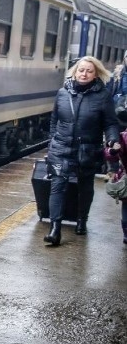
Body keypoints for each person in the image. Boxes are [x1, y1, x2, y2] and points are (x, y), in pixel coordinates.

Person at [44, 56, 120, 246]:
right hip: (61, 148)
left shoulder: (103, 96)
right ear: (75, 71)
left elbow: (110, 123)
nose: (84, 74)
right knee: (57, 186)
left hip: (88, 149)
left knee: (85, 186)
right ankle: (55, 228)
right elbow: (54, 120)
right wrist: (53, 140)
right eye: (81, 70)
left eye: (89, 71)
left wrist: (112, 140)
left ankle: (81, 220)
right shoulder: (62, 93)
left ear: (96, 75)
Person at [103, 114, 127, 245]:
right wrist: (112, 151)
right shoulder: (123, 137)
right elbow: (109, 153)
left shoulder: (123, 136)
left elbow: (109, 154)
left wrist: (111, 152)